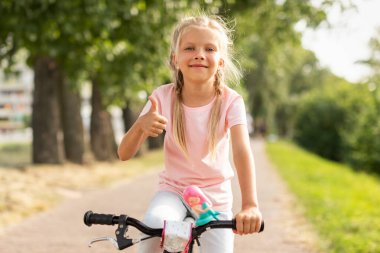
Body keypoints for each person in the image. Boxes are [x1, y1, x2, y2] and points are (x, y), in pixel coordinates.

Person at [118, 14, 262, 253]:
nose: (199, 54)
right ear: (175, 59)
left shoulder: (231, 102)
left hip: (215, 200)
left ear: (221, 61)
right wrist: (140, 125)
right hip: (172, 192)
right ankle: (177, 238)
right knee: (153, 229)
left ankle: (188, 228)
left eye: (209, 49)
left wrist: (250, 205)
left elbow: (241, 151)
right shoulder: (162, 97)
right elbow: (123, 153)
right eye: (189, 48)